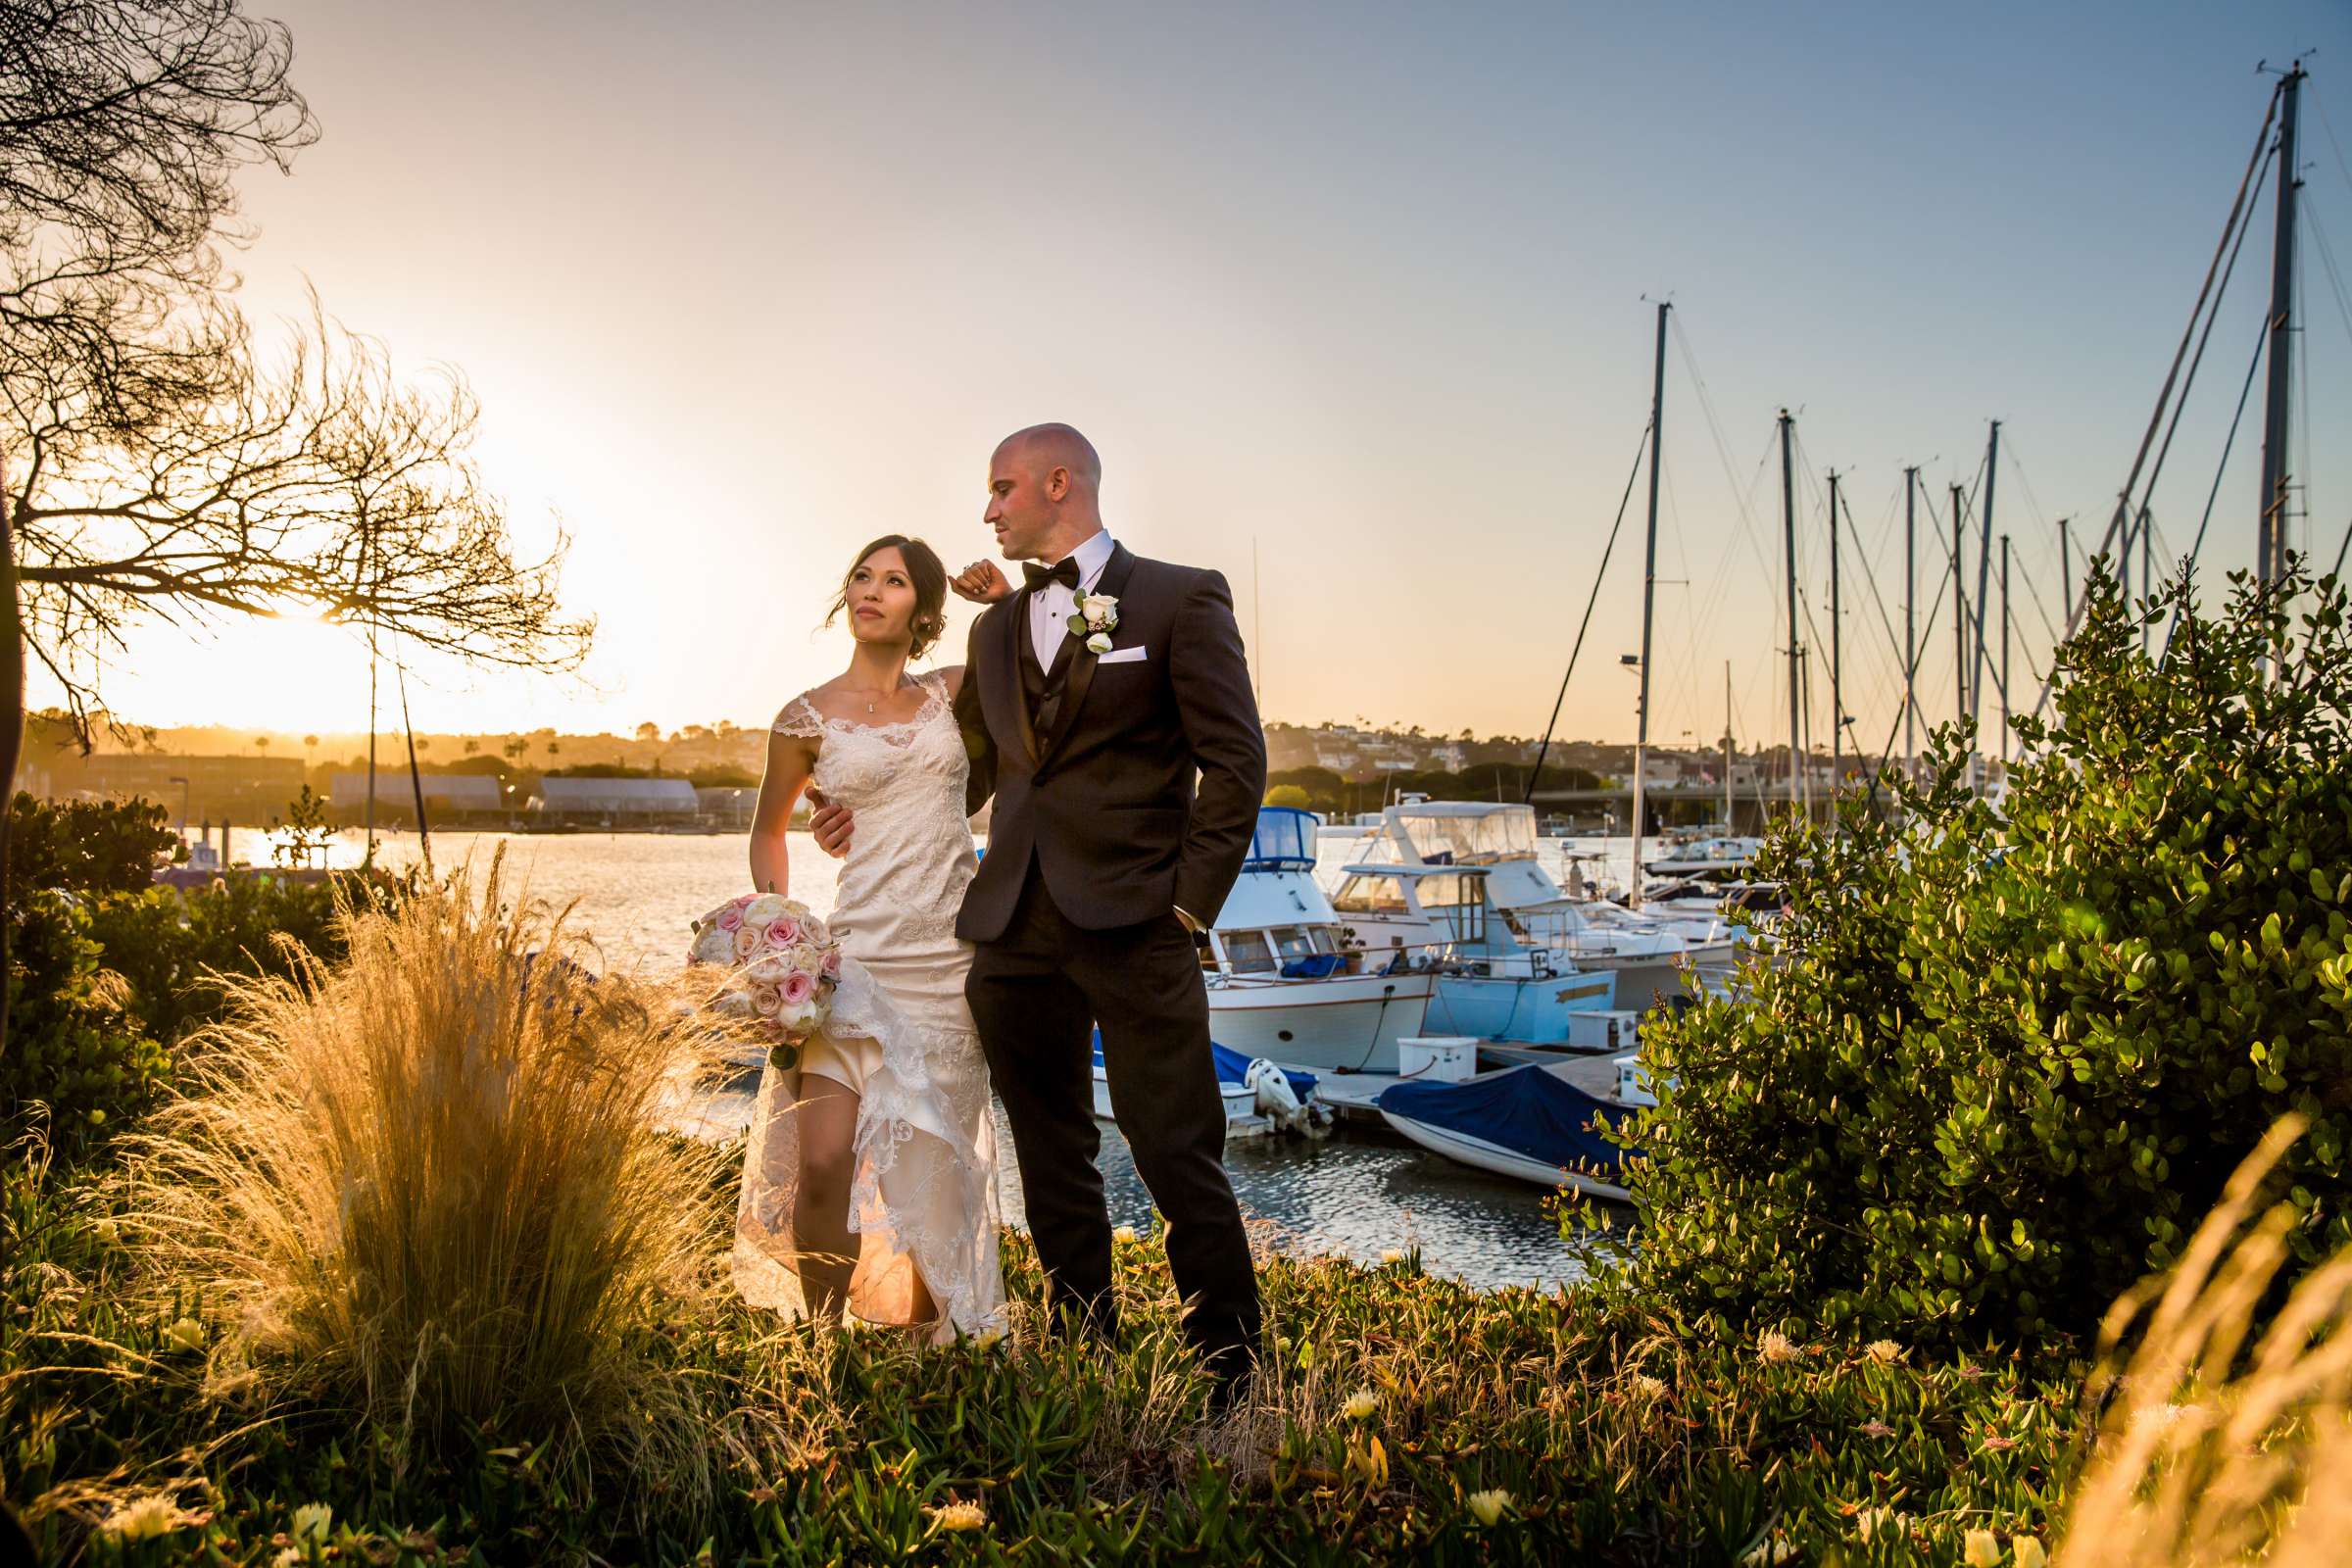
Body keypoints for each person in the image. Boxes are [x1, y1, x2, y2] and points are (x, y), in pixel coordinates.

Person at [810, 424, 1266, 1408]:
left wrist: (1188, 907)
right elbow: (961, 769)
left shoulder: (1179, 598)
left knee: (1175, 1150)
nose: (988, 509)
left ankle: (1230, 1370)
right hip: (1014, 931)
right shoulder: (992, 629)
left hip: (1140, 922)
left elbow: (1236, 765)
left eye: (1001, 488)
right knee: (1052, 1154)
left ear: (1059, 483)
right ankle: (1085, 1347)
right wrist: (865, 802)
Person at [732, 534, 1005, 1344]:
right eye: (861, 576)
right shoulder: (803, 718)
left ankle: (926, 1350)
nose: (871, 590)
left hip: (948, 963)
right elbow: (767, 833)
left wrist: (1001, 603)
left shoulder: (956, 692)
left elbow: (1048, 673)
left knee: (934, 1176)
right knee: (820, 1161)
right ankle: (818, 1345)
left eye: (893, 581)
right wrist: (778, 931)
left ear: (923, 612)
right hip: (851, 963)